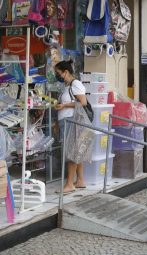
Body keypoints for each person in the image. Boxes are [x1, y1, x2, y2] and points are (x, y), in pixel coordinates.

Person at [54, 60, 88, 193]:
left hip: (71, 121)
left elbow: (83, 102)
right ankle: (80, 181)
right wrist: (57, 121)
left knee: (71, 152)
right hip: (66, 120)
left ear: (65, 72)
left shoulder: (75, 84)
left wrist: (64, 105)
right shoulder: (67, 86)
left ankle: (69, 184)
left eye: (58, 73)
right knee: (76, 151)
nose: (56, 75)